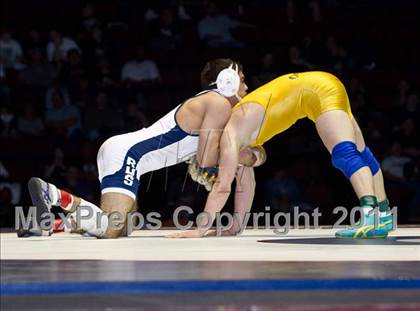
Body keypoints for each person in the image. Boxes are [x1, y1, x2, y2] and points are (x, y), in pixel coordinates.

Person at [26, 59, 263, 238]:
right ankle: (52, 194)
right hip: (128, 154)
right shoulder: (218, 103)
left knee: (123, 227)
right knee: (112, 227)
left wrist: (243, 156)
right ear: (227, 81)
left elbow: (202, 156)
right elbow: (206, 158)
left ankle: (52, 225)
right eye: (242, 79)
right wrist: (249, 157)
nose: (246, 86)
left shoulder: (212, 105)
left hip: (126, 153)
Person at [171, 71, 393, 239]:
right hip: (318, 88)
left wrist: (200, 229)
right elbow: (246, 186)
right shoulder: (235, 137)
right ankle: (383, 216)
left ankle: (369, 218)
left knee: (345, 155)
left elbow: (223, 186)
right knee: (362, 154)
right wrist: (235, 227)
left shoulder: (230, 136)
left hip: (317, 90)